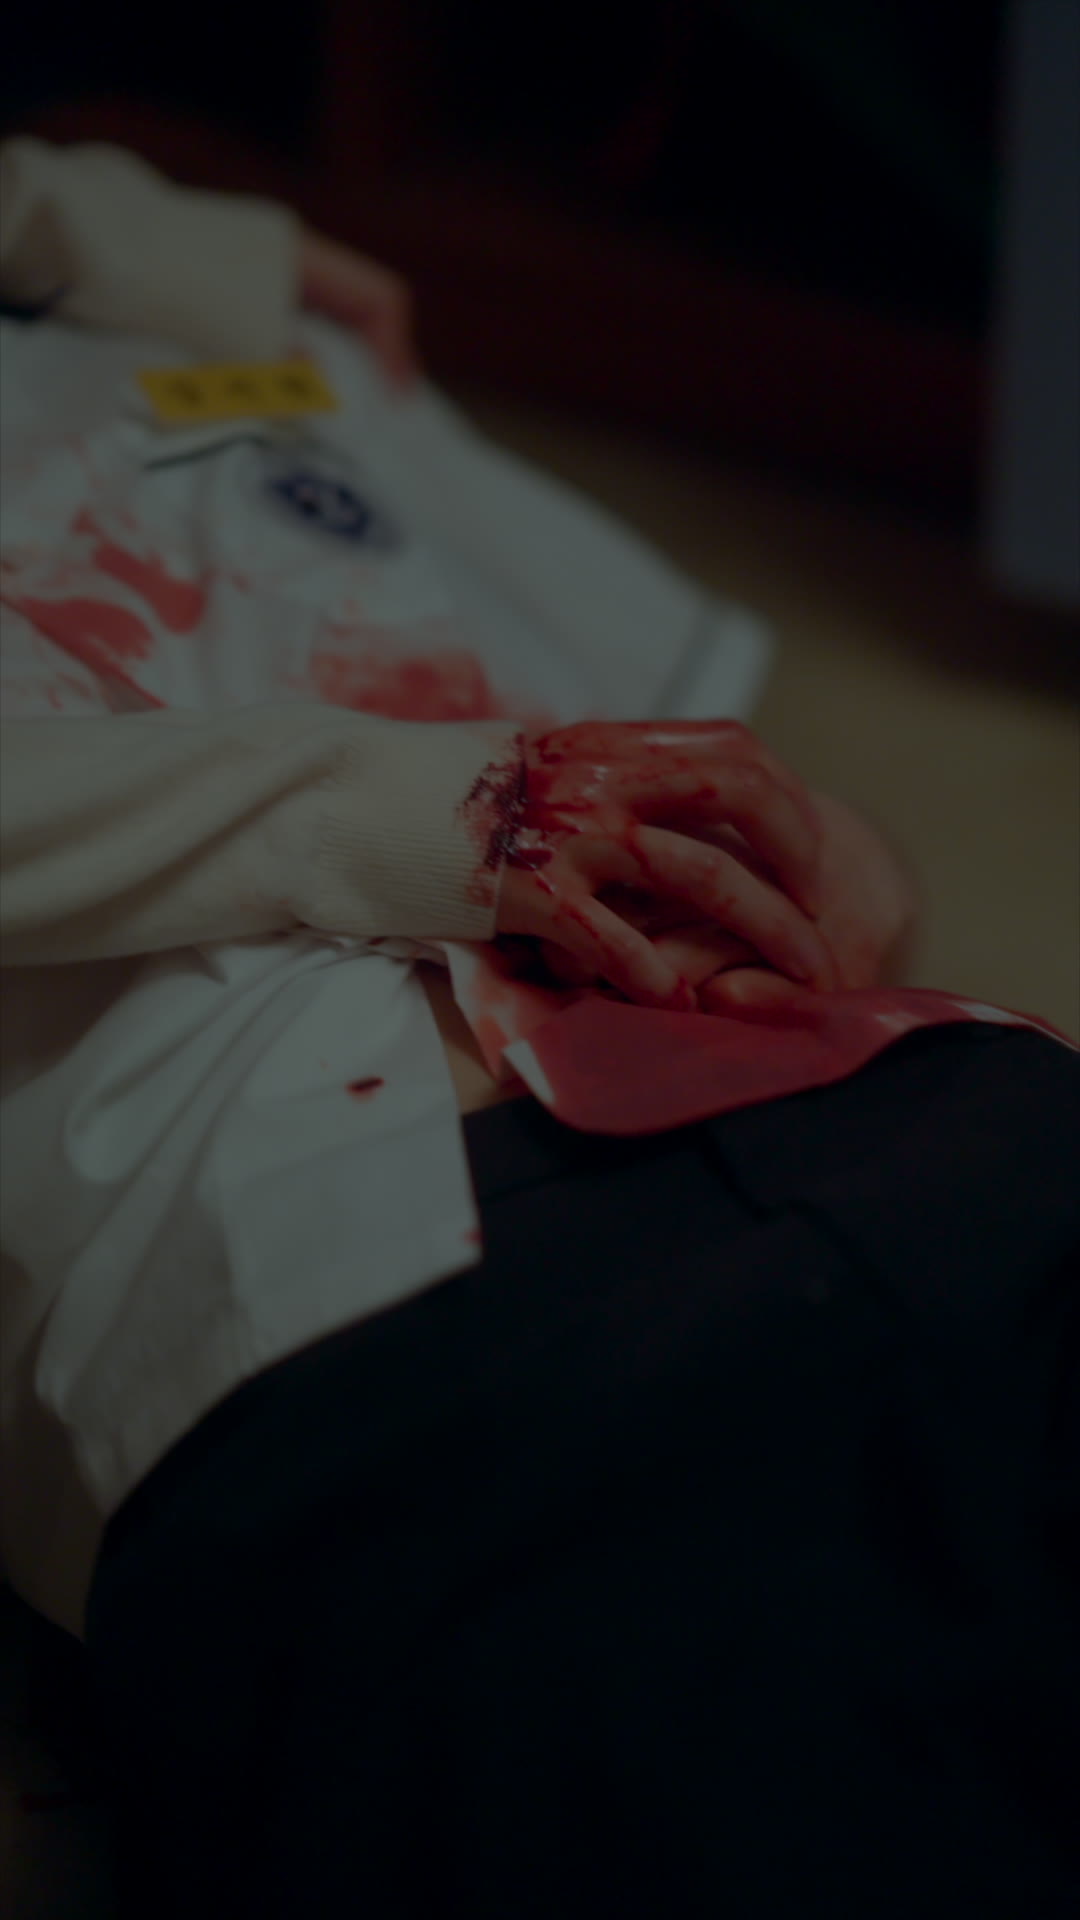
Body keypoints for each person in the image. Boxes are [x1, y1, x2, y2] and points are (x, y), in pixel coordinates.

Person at [1, 138, 1077, 1920]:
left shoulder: (205, 358)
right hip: (385, 1332)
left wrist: (826, 869)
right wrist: (444, 813)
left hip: (916, 1100)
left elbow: (723, 802)